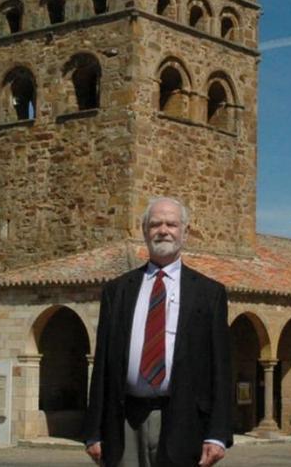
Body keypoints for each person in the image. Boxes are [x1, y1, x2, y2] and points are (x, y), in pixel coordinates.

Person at [83, 197, 233, 467]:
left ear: (185, 232)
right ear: (144, 231)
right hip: (124, 421)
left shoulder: (209, 294)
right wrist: (94, 430)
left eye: (171, 224)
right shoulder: (117, 291)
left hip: (184, 419)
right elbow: (102, 364)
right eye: (155, 224)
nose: (163, 230)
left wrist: (218, 434)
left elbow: (221, 368)